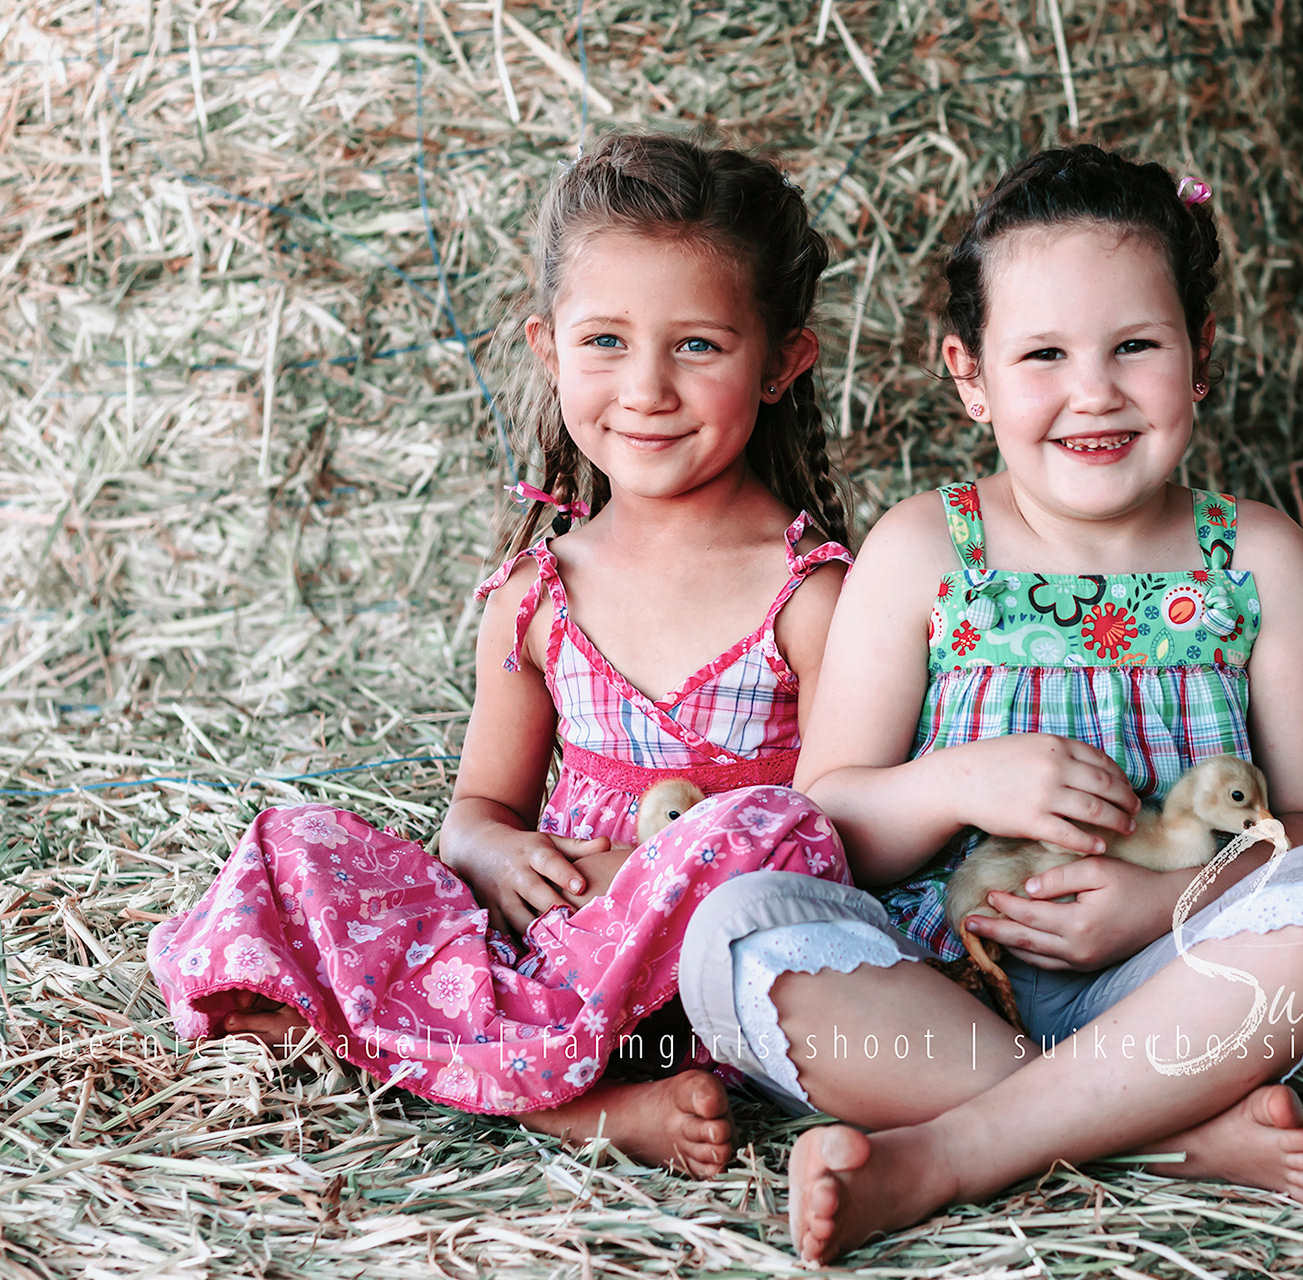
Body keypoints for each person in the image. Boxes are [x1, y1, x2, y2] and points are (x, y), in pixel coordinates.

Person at [676, 144, 1303, 1261]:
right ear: (970, 374)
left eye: (1136, 346)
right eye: (1044, 354)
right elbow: (825, 825)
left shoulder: (1257, 558)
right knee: (733, 931)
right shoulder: (926, 550)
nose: (1095, 391)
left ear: (1201, 353)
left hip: (1176, 981)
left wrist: (1164, 902)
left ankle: (952, 1152)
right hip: (939, 987)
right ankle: (1163, 1135)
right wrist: (959, 782)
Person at [147, 133, 853, 1177]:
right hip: (551, 942)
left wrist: (657, 876)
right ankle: (576, 1103)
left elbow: (837, 833)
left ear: (783, 361)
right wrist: (497, 857)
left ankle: (522, 1083)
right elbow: (478, 808)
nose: (647, 387)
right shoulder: (537, 596)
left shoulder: (810, 594)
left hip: (703, 973)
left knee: (764, 829)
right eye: (605, 340)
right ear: (549, 349)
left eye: (698, 346)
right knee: (292, 844)